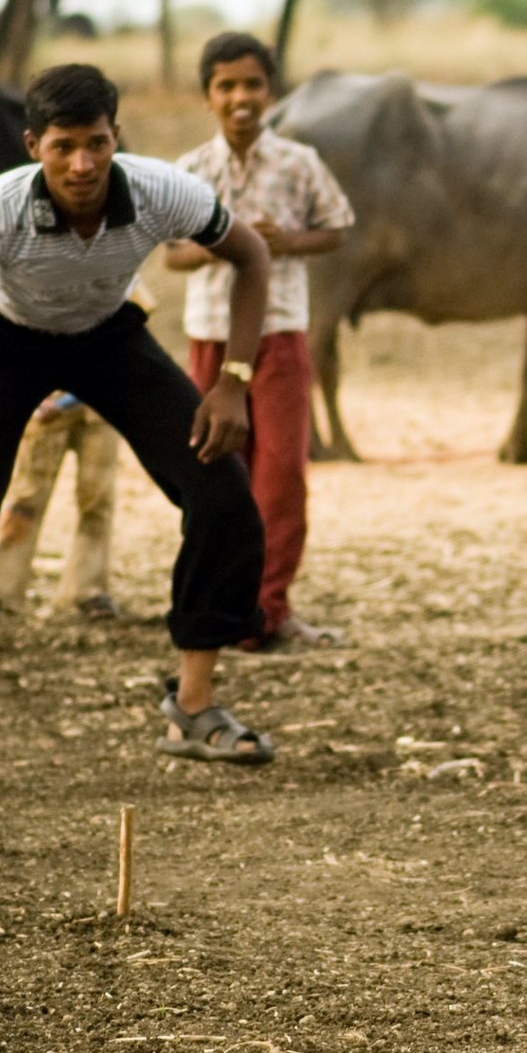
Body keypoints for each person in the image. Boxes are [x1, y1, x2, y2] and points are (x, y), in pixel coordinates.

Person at [0, 64, 278, 801]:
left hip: (106, 337)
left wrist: (233, 382)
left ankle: (193, 705)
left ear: (118, 138)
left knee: (223, 495)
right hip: (3, 340)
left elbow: (252, 254)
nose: (82, 164)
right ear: (33, 146)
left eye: (96, 143)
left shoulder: (158, 191)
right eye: (62, 147)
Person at [166, 32, 354, 652]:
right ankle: (218, 607)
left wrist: (287, 241)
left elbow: (338, 227)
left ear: (272, 93)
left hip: (278, 334)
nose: (240, 98)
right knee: (218, 473)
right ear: (208, 97)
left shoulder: (299, 162)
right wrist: (219, 245)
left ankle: (268, 610)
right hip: (211, 338)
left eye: (252, 85)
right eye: (226, 87)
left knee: (280, 475)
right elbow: (171, 255)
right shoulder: (193, 170)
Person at [0, 392, 123, 622]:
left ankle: (89, 589)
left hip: (101, 407)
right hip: (47, 401)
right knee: (27, 499)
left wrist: (70, 401)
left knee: (98, 500)